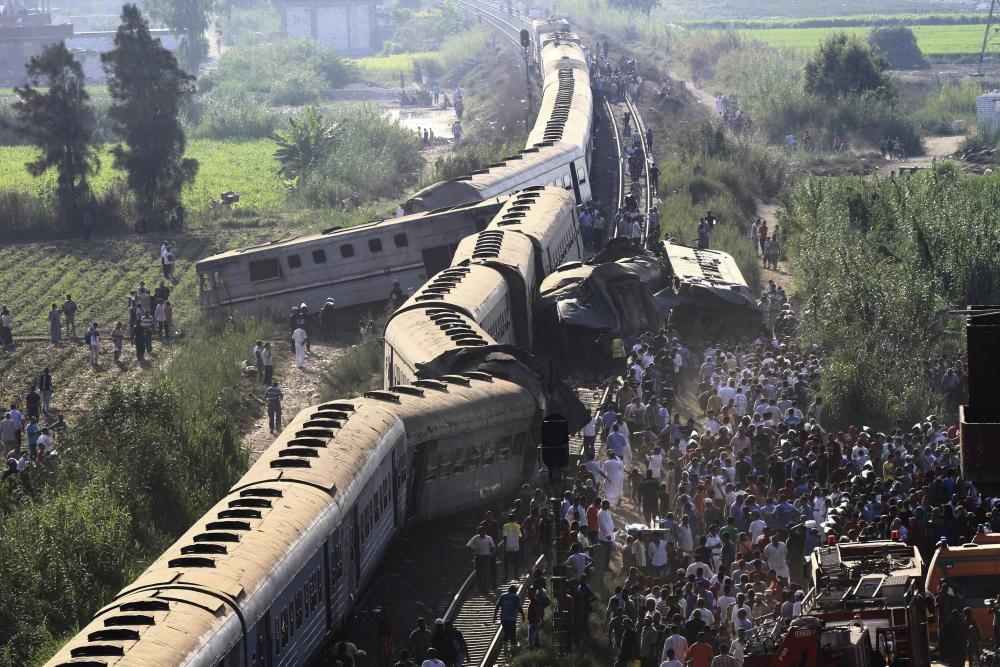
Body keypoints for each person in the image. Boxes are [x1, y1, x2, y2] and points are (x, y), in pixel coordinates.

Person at [493, 584, 525, 652]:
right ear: (515, 591)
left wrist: (494, 616)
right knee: (513, 633)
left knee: (506, 632)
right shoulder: (516, 597)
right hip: (512, 618)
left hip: (503, 618)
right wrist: (523, 616)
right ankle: (512, 649)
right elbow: (519, 607)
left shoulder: (503, 595)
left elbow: (497, 606)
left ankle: (505, 648)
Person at [468, 525, 496, 595]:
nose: (482, 533)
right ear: (479, 532)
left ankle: (486, 589)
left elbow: (492, 546)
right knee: (479, 573)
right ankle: (480, 588)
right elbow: (468, 545)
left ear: (485, 532)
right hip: (478, 557)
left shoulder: (489, 538)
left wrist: (492, 553)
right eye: (481, 532)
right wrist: (472, 550)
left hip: (486, 557)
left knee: (486, 573)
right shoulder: (476, 538)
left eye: (483, 531)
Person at [502, 513, 522, 580]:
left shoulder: (505, 526)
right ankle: (516, 576)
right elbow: (520, 536)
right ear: (514, 519)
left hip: (508, 547)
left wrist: (504, 547)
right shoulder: (517, 526)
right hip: (516, 546)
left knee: (506, 562)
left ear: (509, 519)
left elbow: (504, 537)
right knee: (516, 561)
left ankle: (506, 576)